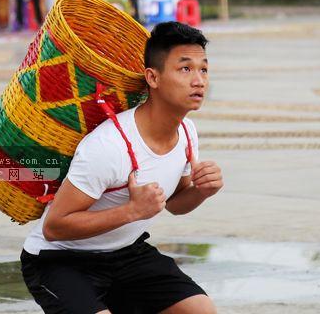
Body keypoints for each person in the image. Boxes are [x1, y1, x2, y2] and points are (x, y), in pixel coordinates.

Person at [21, 22, 222, 314]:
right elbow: (54, 227)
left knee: (201, 311)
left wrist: (203, 191)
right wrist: (131, 211)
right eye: (185, 69)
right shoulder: (108, 146)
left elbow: (175, 204)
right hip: (60, 260)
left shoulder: (187, 133)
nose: (199, 81)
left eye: (203, 69)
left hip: (127, 254)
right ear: (152, 77)